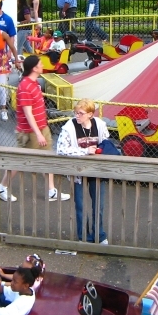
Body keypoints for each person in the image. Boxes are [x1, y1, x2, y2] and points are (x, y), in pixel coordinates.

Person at [0, 55, 70, 204]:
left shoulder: (34, 83)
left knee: (47, 158)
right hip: (30, 132)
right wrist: (38, 134)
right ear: (34, 68)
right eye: (40, 64)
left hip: (40, 128)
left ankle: (51, 190)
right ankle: (2, 187)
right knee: (20, 161)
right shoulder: (25, 87)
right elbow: (27, 113)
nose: (43, 65)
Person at [56, 98, 109, 244]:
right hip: (78, 172)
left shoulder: (100, 125)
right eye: (76, 113)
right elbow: (61, 148)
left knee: (98, 205)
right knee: (80, 205)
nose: (77, 116)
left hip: (96, 171)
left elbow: (106, 143)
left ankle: (99, 235)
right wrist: (85, 151)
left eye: (81, 113)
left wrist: (99, 150)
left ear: (90, 114)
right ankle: (84, 236)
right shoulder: (70, 126)